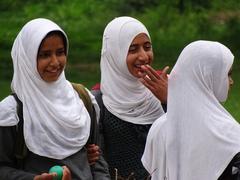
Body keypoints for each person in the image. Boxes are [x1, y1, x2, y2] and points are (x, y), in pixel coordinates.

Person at [0, 18, 110, 180]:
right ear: (26, 58)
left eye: (60, 52)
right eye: (44, 55)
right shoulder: (11, 114)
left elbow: (96, 159)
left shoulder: (82, 100)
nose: (55, 62)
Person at [141, 40, 240, 180]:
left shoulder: (160, 127)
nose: (231, 81)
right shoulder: (228, 133)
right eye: (226, 74)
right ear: (208, 76)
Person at [92, 16, 168, 179]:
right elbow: (98, 161)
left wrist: (169, 101)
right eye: (132, 50)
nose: (143, 56)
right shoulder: (99, 102)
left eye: (147, 47)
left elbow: (187, 137)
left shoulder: (164, 88)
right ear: (114, 53)